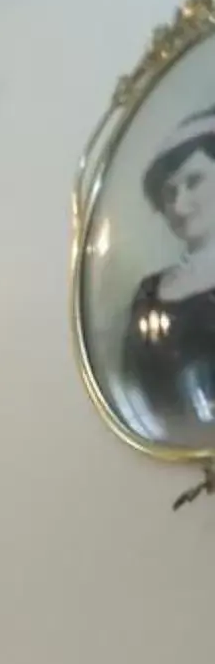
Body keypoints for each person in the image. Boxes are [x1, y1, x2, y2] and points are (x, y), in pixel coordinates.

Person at [120, 105, 215, 438]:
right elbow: (136, 392)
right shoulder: (150, 294)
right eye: (170, 192)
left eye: (193, 181)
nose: (179, 205)